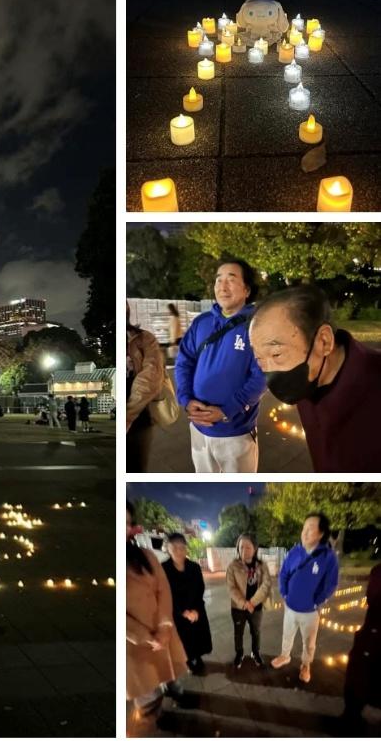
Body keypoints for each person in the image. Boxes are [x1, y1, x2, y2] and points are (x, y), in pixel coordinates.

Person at [249, 284, 381, 472]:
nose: (269, 372)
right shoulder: (308, 382)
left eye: (276, 354)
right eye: (259, 359)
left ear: (324, 341)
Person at [174, 258, 267, 473]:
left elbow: (262, 377)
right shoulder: (202, 322)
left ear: (247, 289)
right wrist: (186, 400)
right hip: (198, 429)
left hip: (236, 433)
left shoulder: (257, 326)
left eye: (231, 280)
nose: (222, 286)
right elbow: (184, 362)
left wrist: (227, 411)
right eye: (218, 280)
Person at [126, 502, 190, 731]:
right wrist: (144, 636)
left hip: (161, 629)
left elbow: (163, 589)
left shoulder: (145, 556)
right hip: (135, 641)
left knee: (169, 668)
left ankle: (175, 692)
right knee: (146, 686)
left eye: (126, 523)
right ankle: (152, 717)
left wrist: (164, 626)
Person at [271, 512, 339, 683]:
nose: (305, 532)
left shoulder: (328, 557)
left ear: (321, 534)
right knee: (287, 635)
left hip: (310, 611)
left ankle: (306, 664)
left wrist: (317, 601)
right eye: (304, 528)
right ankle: (285, 656)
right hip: (290, 607)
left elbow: (330, 584)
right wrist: (284, 593)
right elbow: (284, 573)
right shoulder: (295, 551)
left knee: (309, 642)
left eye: (310, 528)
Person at [162, 533, 212, 674]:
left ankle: (197, 657)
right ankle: (189, 660)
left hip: (196, 610)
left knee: (198, 637)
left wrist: (195, 610)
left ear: (186, 549)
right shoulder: (164, 569)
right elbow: (166, 594)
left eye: (182, 547)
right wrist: (183, 612)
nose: (179, 551)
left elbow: (200, 588)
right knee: (184, 640)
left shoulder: (194, 567)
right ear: (168, 548)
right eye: (175, 547)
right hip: (177, 613)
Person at [341, 562, 381, 731]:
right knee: (360, 674)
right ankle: (351, 716)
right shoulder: (378, 571)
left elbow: (372, 596)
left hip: (374, 636)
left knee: (361, 675)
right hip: (372, 633)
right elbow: (372, 595)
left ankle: (351, 717)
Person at [127, 303, 164, 471]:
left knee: (135, 469)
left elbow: (151, 378)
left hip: (138, 418)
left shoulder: (144, 339)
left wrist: (127, 415)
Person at [226, 533, 272, 669]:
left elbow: (266, 585)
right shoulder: (233, 566)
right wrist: (244, 603)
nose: (243, 550)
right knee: (238, 632)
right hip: (238, 608)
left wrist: (252, 603)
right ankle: (239, 653)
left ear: (255, 548)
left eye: (248, 547)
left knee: (256, 631)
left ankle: (255, 652)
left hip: (255, 608)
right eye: (241, 547)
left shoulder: (262, 566)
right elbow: (231, 588)